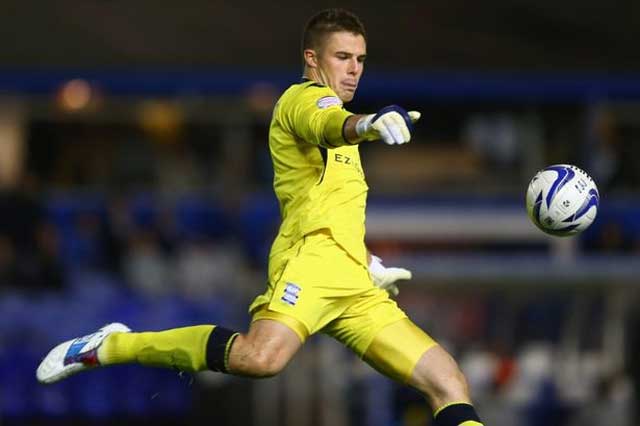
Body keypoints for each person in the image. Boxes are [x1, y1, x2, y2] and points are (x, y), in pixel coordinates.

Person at [37, 9, 484, 426]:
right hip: (307, 265)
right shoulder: (301, 101)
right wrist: (367, 124)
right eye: (343, 57)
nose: (354, 69)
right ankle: (112, 345)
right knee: (260, 359)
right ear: (312, 58)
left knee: (448, 382)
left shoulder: (342, 126)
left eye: (361, 59)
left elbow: (330, 203)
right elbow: (330, 124)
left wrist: (365, 261)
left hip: (354, 285)